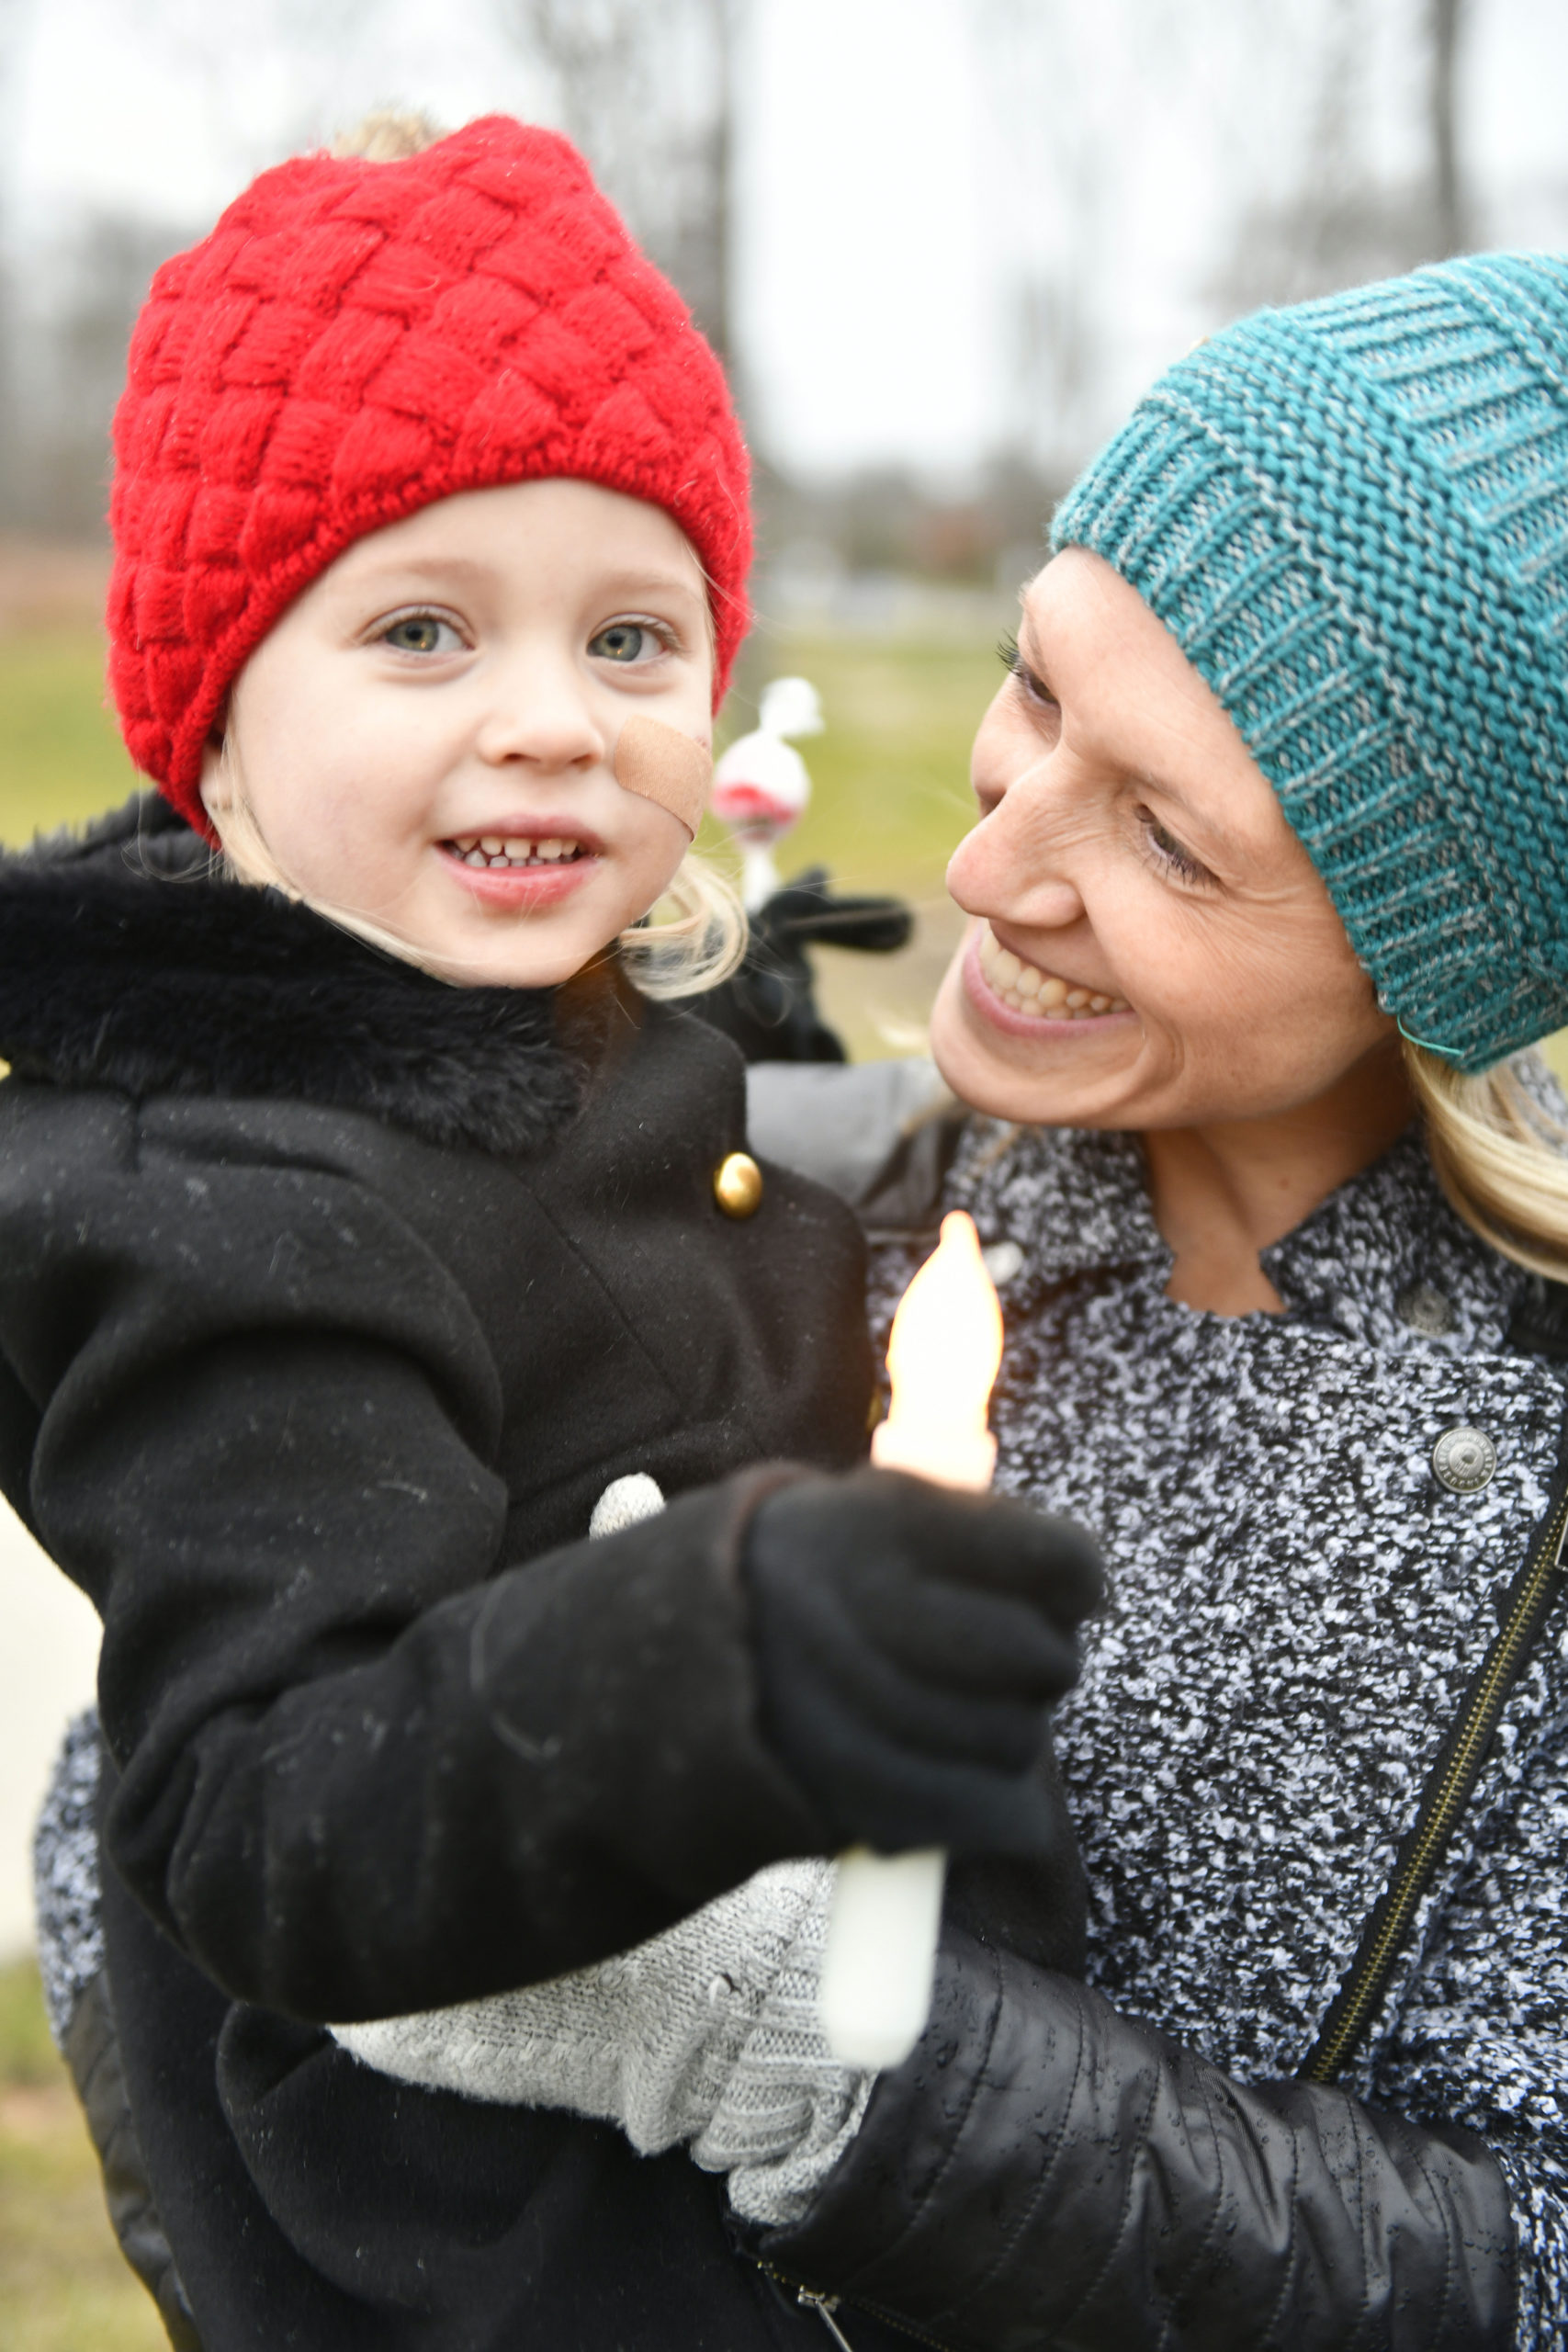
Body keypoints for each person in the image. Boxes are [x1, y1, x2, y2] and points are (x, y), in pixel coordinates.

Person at [327, 253, 1568, 2350]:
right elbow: (154, 1828)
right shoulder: (784, 1193)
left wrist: (824, 2066)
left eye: (1166, 839)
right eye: (1035, 687)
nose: (991, 869)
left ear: (1447, 960)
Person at [13, 111, 1103, 2351]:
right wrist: (717, 1639)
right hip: (511, 2255)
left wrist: (762, 1008)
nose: (549, 722)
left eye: (630, 635)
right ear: (216, 734)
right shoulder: (241, 1211)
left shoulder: (496, 1007)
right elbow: (270, 1806)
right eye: (421, 629)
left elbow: (631, 1197)